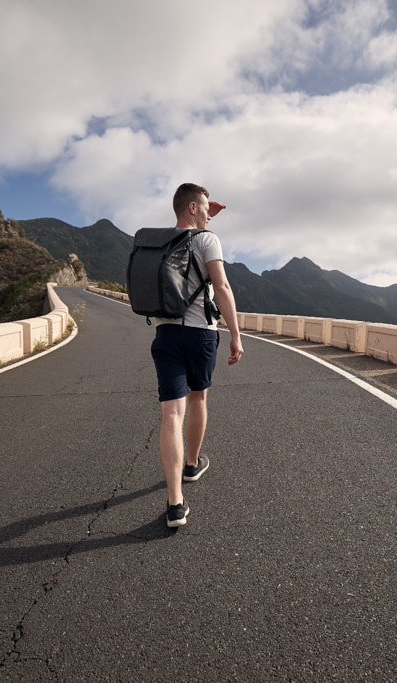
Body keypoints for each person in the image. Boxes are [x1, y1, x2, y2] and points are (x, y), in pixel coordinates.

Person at [150, 182, 244, 528]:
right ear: (192, 208)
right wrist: (235, 334)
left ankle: (175, 503)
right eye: (204, 207)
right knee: (198, 398)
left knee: (171, 413)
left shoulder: (157, 242)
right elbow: (222, 286)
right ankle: (191, 465)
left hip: (166, 333)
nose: (208, 212)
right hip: (201, 334)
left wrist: (206, 214)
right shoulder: (207, 240)